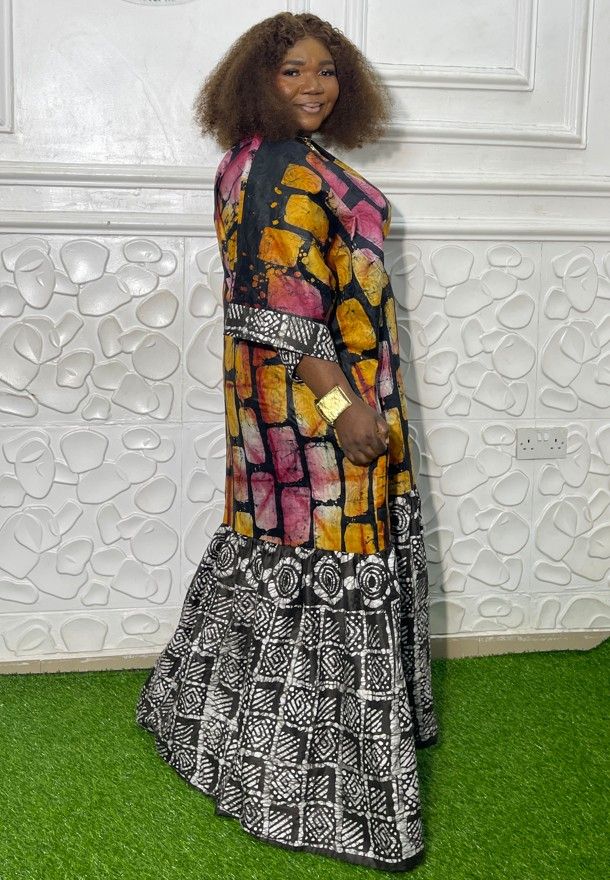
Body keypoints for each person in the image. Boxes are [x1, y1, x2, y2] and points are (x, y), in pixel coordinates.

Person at [136, 11, 439, 872]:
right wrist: (345, 407)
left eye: (327, 70)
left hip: (290, 408)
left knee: (277, 558)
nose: (314, 85)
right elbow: (279, 310)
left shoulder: (267, 161)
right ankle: (321, 789)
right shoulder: (278, 169)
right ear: (258, 81)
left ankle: (222, 733)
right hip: (313, 415)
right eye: (293, 70)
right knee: (321, 562)